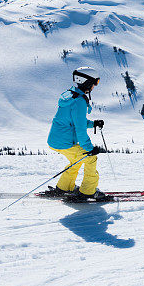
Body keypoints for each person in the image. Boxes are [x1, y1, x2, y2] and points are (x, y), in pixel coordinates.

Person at [45, 66, 107, 201]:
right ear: (87, 82)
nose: (95, 86)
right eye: (95, 83)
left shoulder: (71, 95)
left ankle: (64, 187)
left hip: (56, 140)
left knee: (76, 160)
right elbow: (80, 130)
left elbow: (75, 121)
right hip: (64, 142)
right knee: (90, 158)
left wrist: (93, 123)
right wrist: (89, 149)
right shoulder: (79, 101)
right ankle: (88, 192)